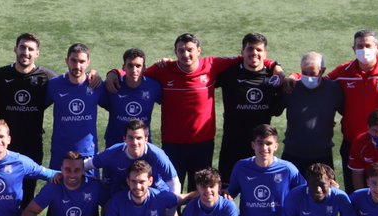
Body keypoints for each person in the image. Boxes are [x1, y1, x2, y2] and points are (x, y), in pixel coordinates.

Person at [103, 32, 280, 190]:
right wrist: (114, 73)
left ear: (199, 51)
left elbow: (249, 57)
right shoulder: (164, 70)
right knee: (172, 192)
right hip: (173, 144)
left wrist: (275, 66)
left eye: (190, 50)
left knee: (201, 191)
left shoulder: (212, 65)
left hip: (202, 144)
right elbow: (136, 71)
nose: (186, 54)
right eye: (181, 50)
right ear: (175, 52)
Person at [326, 30, 378, 192]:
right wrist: (294, 77)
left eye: (368, 45)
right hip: (352, 144)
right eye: (360, 46)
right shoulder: (344, 72)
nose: (364, 50)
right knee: (355, 193)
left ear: (377, 47)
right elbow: (320, 82)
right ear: (353, 49)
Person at [0, 33, 56, 201]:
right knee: (2, 192)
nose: (25, 52)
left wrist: (101, 74)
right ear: (15, 49)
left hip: (32, 144)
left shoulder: (48, 78)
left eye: (30, 49)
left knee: (27, 193)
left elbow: (71, 82)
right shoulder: (1, 74)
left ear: (37, 53)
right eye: (22, 47)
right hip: (5, 145)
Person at [216, 33, 286, 184]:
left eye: (259, 50)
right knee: (227, 191)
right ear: (242, 52)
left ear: (265, 54)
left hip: (260, 147)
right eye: (250, 49)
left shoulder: (272, 78)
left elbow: (277, 110)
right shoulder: (229, 74)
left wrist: (280, 74)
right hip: (232, 145)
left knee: (259, 192)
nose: (254, 53)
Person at [281, 52, 345, 177]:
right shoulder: (291, 88)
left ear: (323, 70)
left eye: (313, 74)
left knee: (323, 194)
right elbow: (275, 109)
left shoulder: (334, 90)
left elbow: (345, 111)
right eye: (304, 73)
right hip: (292, 153)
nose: (308, 77)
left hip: (322, 155)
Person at [86, 119, 181, 197]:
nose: (135, 142)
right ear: (124, 139)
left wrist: (171, 211)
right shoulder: (113, 153)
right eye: (130, 138)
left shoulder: (157, 155)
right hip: (123, 197)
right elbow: (87, 164)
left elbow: (174, 183)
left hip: (154, 196)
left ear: (146, 139)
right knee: (109, 207)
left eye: (139, 138)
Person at [45, 43, 100, 169]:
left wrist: (113, 73)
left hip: (87, 154)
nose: (77, 66)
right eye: (73, 61)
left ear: (88, 63)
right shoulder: (54, 85)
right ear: (66, 61)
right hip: (60, 153)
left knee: (89, 188)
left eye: (82, 61)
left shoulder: (96, 85)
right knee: (58, 188)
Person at [99, 48, 161, 144]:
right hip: (115, 144)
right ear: (124, 67)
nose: (134, 70)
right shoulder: (113, 85)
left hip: (141, 144)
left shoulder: (153, 87)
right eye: (130, 65)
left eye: (138, 66)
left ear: (144, 68)